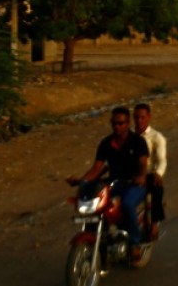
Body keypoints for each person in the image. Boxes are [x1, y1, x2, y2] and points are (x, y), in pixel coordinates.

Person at [68, 107, 149, 262]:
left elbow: (143, 162)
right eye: (114, 123)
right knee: (96, 206)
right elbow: (96, 168)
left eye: (120, 123)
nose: (117, 126)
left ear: (127, 123)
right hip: (114, 184)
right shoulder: (106, 143)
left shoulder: (138, 141)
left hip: (134, 184)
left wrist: (141, 177)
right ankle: (97, 240)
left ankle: (134, 244)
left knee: (127, 205)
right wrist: (82, 181)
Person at [133, 102, 167, 241]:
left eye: (142, 117)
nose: (139, 120)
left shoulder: (156, 137)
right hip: (131, 175)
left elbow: (162, 160)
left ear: (149, 117)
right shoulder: (129, 136)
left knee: (157, 189)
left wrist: (158, 173)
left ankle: (154, 224)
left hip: (149, 175)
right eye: (136, 117)